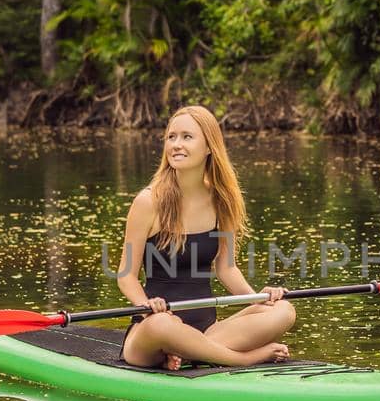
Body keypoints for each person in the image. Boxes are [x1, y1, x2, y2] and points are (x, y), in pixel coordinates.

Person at [116, 106, 294, 370]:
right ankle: (245, 358)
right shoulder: (148, 202)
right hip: (155, 330)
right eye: (171, 137)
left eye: (187, 137)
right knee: (165, 324)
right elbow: (125, 275)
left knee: (283, 310)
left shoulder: (222, 201)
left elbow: (227, 268)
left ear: (209, 146)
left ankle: (191, 353)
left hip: (208, 330)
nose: (176, 144)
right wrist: (145, 305)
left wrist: (258, 299)